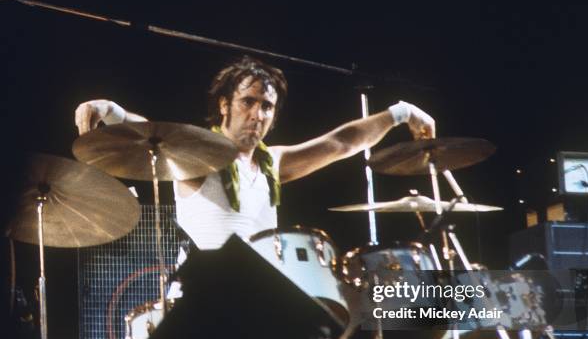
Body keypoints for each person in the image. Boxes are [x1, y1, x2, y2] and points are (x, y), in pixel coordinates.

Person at [75, 56, 435, 249]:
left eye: (267, 106)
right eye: (248, 101)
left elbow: (341, 143)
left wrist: (400, 113)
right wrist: (110, 110)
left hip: (263, 292)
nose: (257, 114)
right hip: (207, 291)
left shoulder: (272, 162)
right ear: (224, 105)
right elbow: (153, 135)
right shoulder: (197, 154)